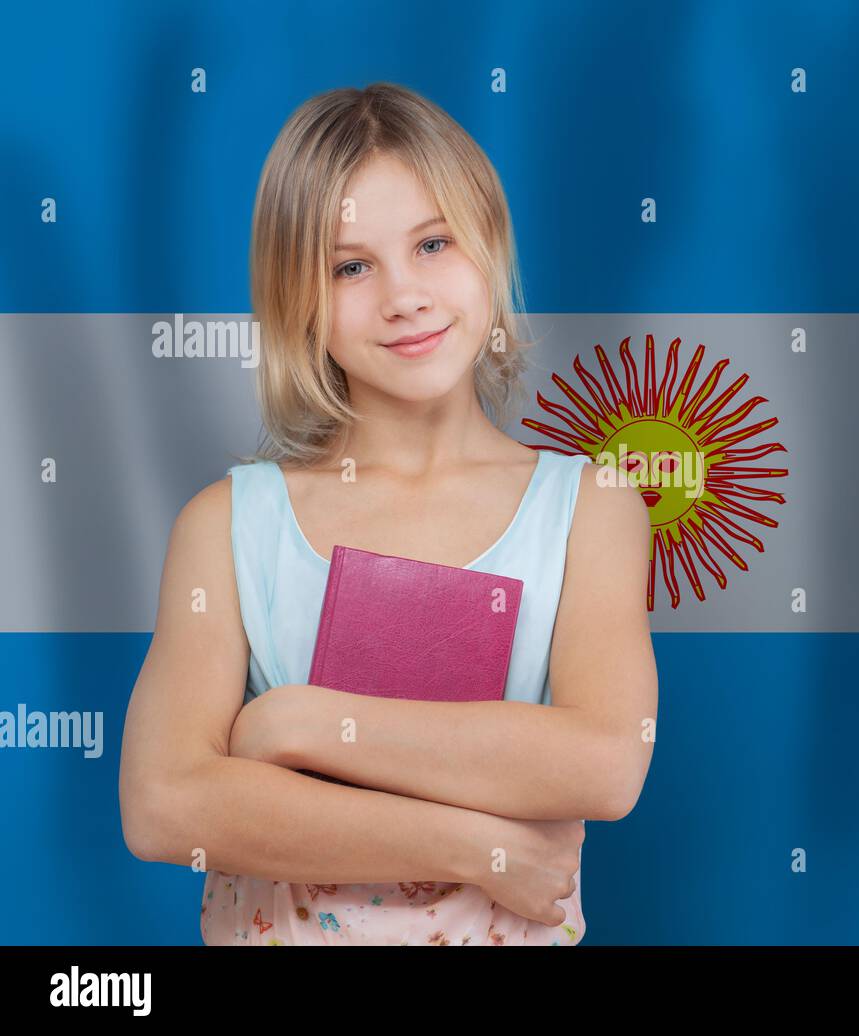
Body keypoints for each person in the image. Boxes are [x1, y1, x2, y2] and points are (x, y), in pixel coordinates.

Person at [118, 82, 658, 945]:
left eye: (433, 243)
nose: (403, 295)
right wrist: (475, 847)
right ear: (296, 295)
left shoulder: (587, 508)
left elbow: (604, 761)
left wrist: (299, 724)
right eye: (351, 266)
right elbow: (163, 804)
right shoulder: (228, 526)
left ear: (489, 243)